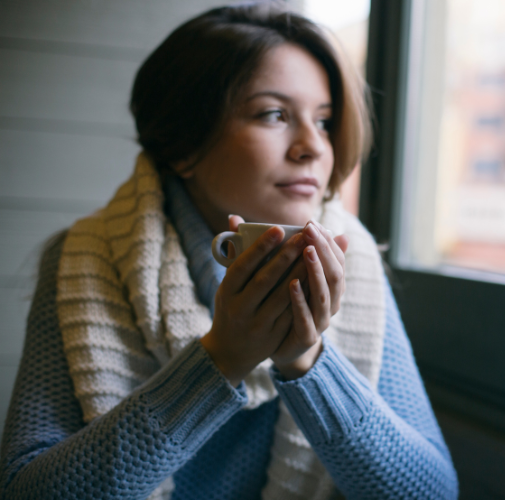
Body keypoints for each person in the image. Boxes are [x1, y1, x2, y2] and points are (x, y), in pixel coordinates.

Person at [0, 3, 459, 499]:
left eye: (325, 121)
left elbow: (432, 493)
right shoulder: (83, 261)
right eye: (274, 114)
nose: (313, 146)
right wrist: (222, 357)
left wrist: (307, 359)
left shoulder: (353, 260)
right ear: (183, 145)